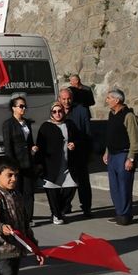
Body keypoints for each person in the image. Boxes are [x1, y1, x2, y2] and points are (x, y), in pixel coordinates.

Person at [0, 157, 45, 275]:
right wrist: (1, 227)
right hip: (2, 251)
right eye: (10, 175)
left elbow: (25, 223)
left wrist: (34, 246)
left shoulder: (17, 194)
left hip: (17, 249)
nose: (14, 179)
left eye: (16, 175)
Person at [35, 101, 79, 225]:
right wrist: (39, 163)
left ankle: (59, 210)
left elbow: (79, 138)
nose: (57, 114)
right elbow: (40, 145)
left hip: (68, 164)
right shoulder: (46, 126)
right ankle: (56, 215)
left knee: (71, 187)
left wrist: (74, 144)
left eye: (60, 111)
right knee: (52, 190)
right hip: (51, 165)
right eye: (54, 112)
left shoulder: (69, 124)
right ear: (51, 113)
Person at [102, 88, 138, 225]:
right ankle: (119, 213)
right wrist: (107, 151)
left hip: (124, 155)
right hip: (112, 155)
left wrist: (131, 158)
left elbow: (135, 139)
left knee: (124, 187)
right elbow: (111, 135)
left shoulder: (128, 116)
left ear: (117, 100)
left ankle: (125, 215)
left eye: (109, 98)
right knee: (114, 187)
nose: (107, 100)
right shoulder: (111, 114)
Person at [1, 96, 38, 222]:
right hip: (16, 163)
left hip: (28, 162)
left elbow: (30, 141)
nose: (23, 108)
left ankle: (28, 218)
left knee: (29, 192)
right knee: (17, 191)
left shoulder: (27, 122)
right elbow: (8, 146)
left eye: (24, 106)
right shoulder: (8, 124)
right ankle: (17, 217)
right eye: (21, 106)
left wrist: (33, 149)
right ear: (13, 108)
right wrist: (11, 165)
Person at [58, 87, 92, 217]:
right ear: (59, 99)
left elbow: (87, 133)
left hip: (79, 153)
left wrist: (87, 152)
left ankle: (86, 208)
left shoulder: (81, 111)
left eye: (69, 99)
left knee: (83, 183)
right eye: (64, 99)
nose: (66, 101)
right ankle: (65, 206)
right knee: (66, 182)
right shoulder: (56, 111)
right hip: (63, 154)